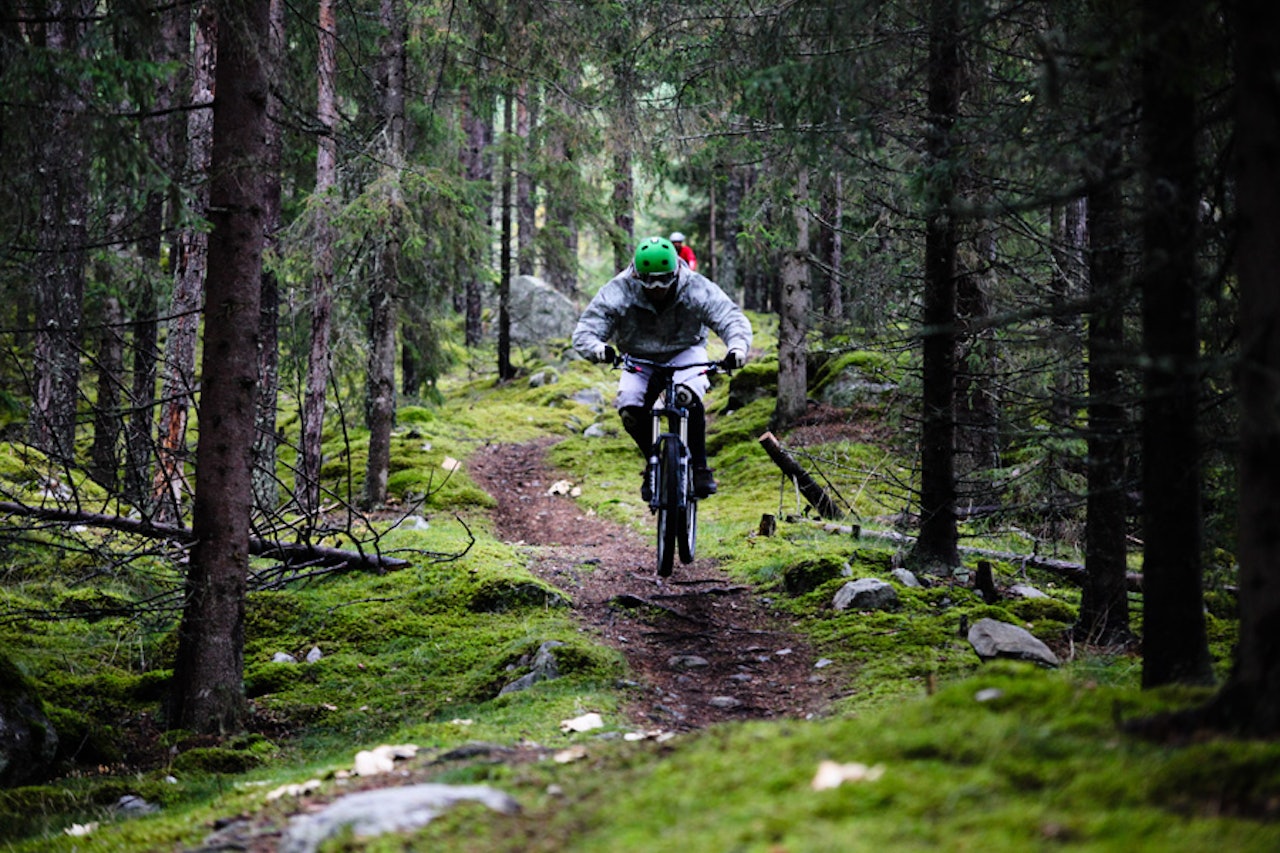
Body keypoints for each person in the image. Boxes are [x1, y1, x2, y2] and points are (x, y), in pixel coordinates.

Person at [573, 236, 752, 498]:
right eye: (649, 281)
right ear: (637, 275)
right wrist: (598, 349)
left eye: (664, 280)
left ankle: (700, 467)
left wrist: (737, 348)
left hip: (685, 351)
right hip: (638, 357)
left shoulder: (694, 286)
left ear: (676, 272)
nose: (657, 288)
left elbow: (729, 317)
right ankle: (653, 462)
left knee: (687, 397)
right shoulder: (619, 290)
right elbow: (586, 331)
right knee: (630, 408)